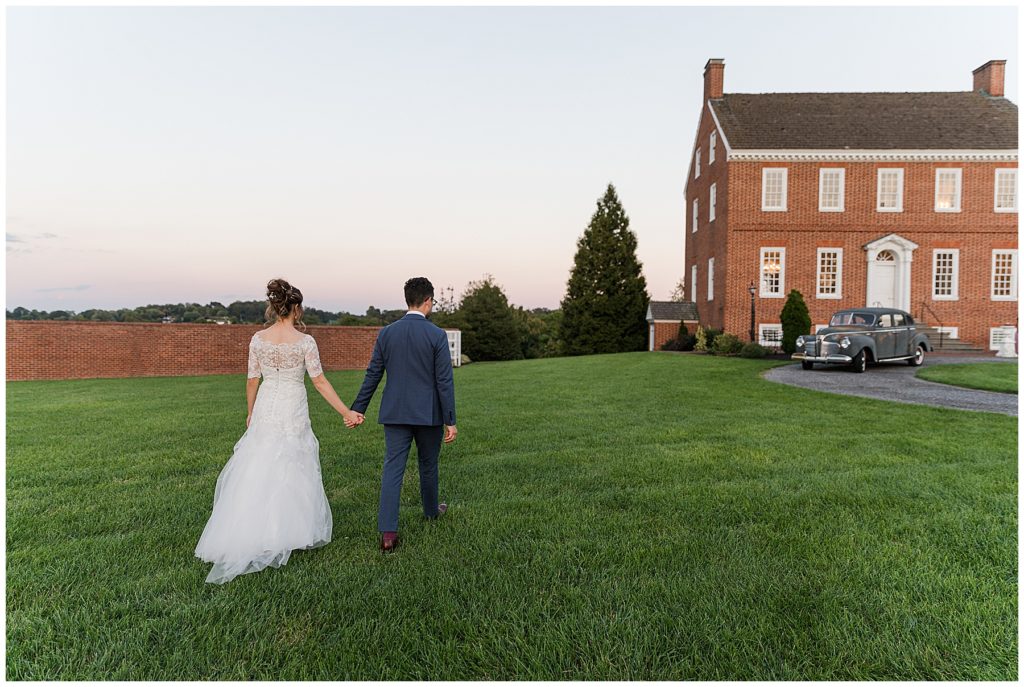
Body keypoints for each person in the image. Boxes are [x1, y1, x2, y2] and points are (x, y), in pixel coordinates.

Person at [195, 278, 363, 583]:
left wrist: (250, 413)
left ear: (274, 307)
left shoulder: (258, 339)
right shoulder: (305, 342)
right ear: (296, 308)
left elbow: (251, 380)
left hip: (267, 403)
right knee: (292, 462)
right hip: (292, 404)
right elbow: (320, 382)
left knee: (260, 460)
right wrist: (346, 411)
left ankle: (256, 528)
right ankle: (287, 530)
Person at [350, 277, 457, 552]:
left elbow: (374, 372)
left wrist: (358, 407)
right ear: (429, 301)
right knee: (428, 464)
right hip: (428, 414)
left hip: (395, 412)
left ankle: (388, 534)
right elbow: (444, 381)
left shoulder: (387, 333)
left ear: (407, 299)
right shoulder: (436, 335)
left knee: (392, 469)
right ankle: (431, 512)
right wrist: (450, 420)